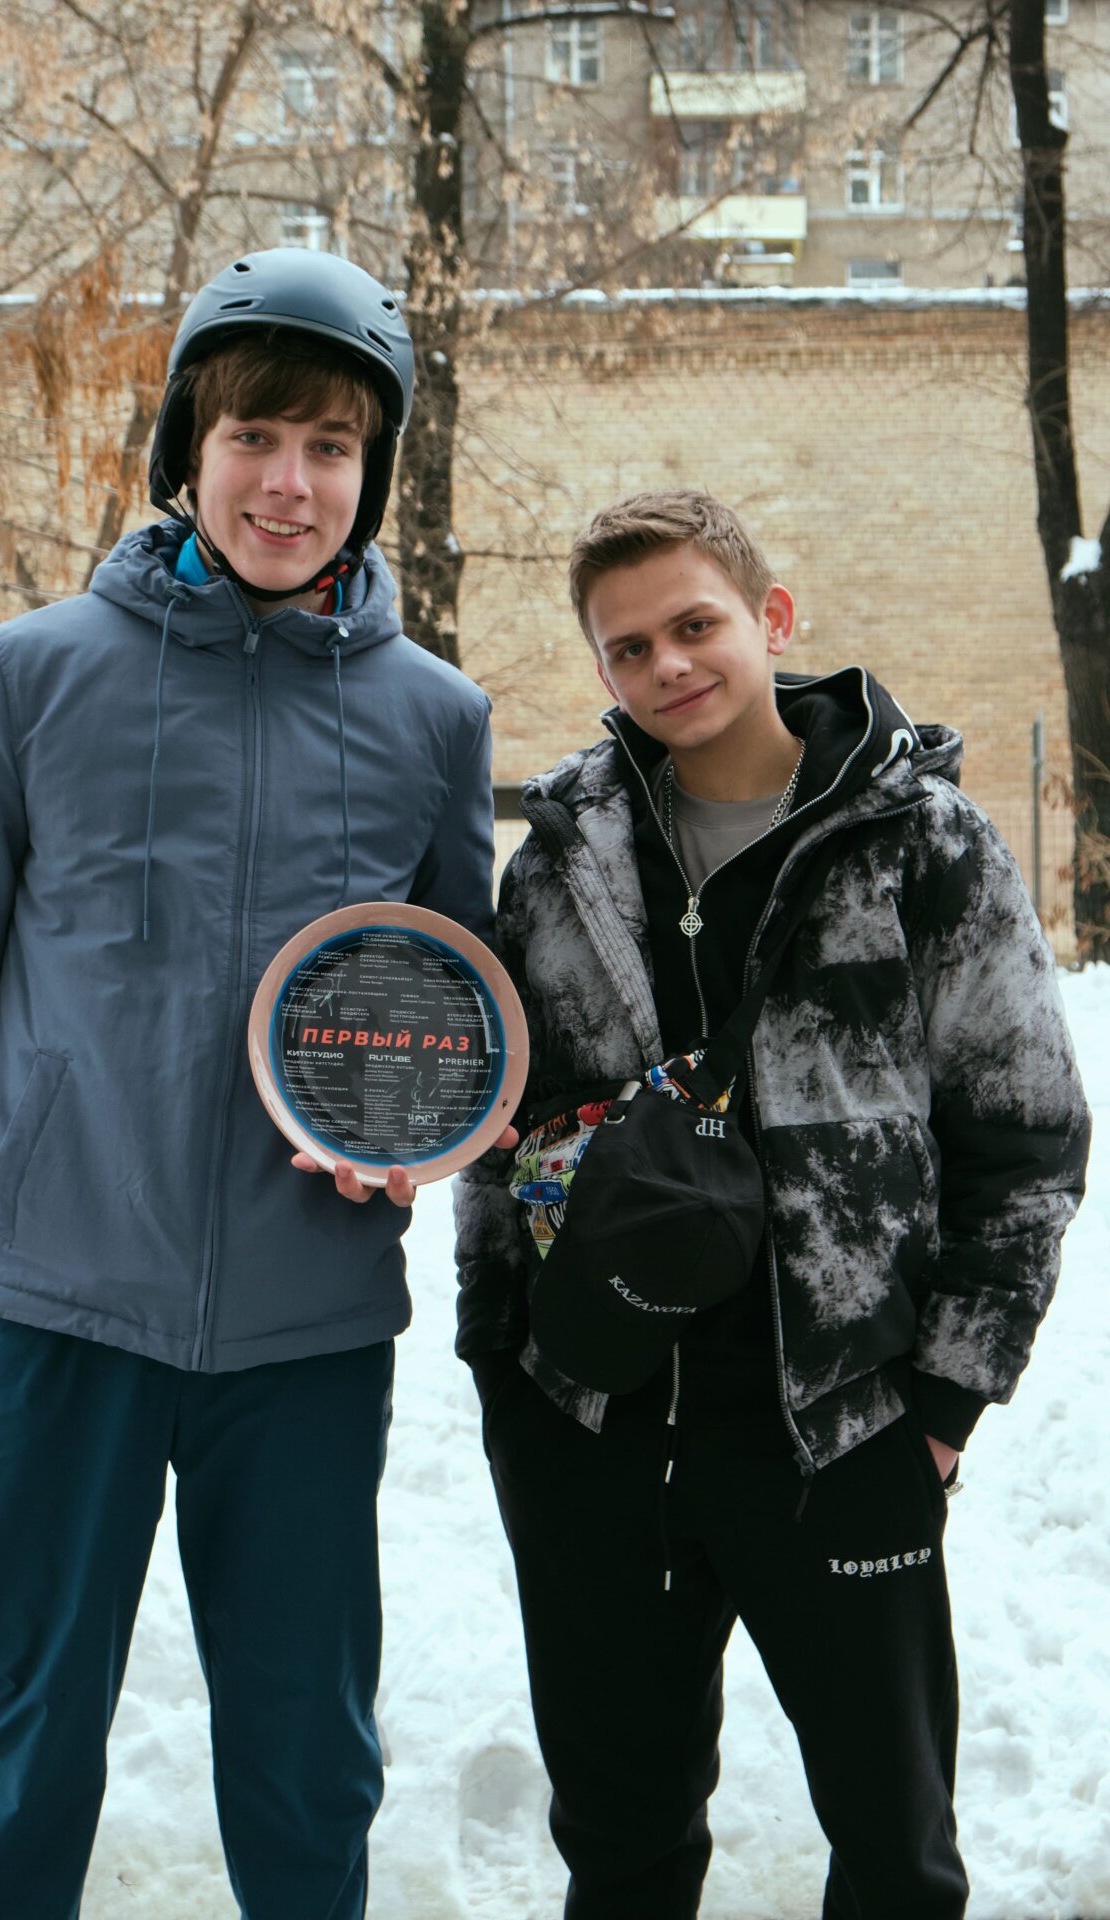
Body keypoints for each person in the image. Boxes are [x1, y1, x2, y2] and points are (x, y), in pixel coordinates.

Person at [0, 248, 498, 1920]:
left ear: (372, 472)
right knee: (24, 1732)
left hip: (304, 1328)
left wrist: (416, 1140)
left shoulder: (435, 719)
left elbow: (452, 1003)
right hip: (57, 1303)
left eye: (333, 448)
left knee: (306, 1753)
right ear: (187, 451)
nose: (291, 484)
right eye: (254, 438)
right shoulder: (28, 675)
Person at [452, 488, 1090, 1919]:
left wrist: (944, 1404)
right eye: (629, 648)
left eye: (696, 625)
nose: (669, 665)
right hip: (597, 1432)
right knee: (620, 1848)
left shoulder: (923, 844)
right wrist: (510, 1369)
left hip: (839, 1425)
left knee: (895, 1851)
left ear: (772, 618)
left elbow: (1027, 1137)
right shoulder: (564, 860)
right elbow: (505, 1131)